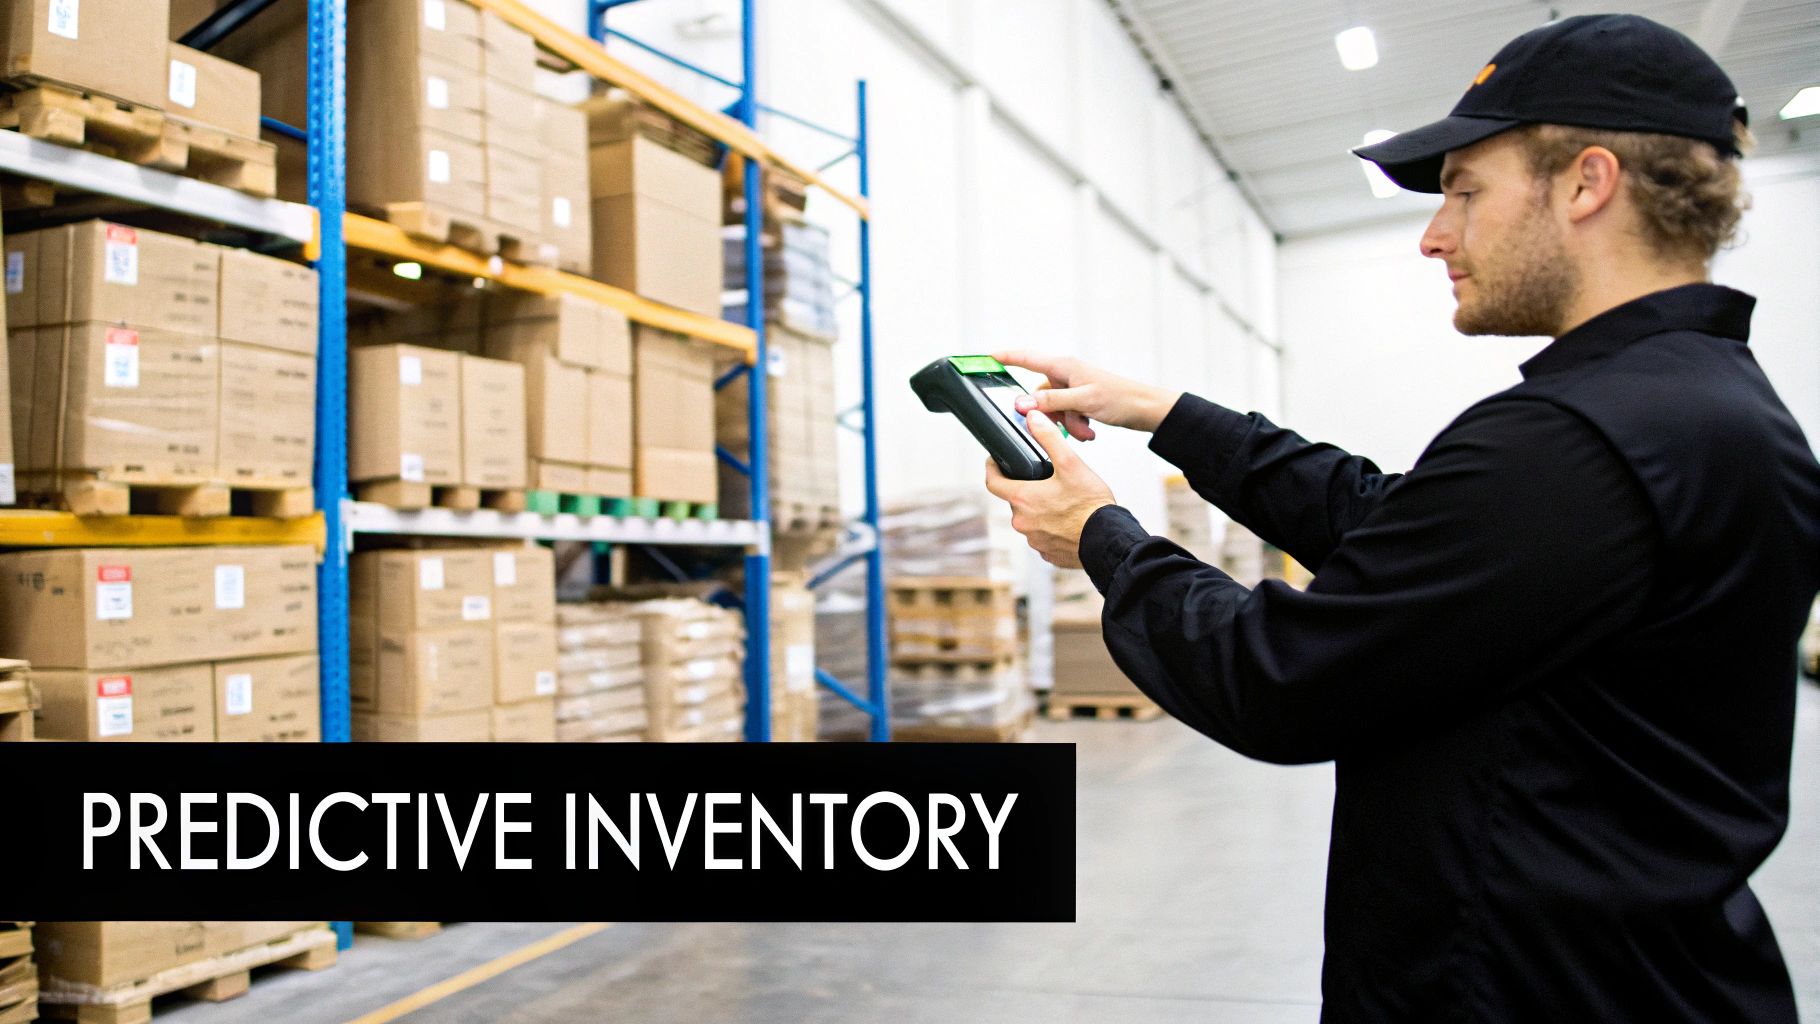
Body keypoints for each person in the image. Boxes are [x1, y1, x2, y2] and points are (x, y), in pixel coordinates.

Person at [986, 14, 1820, 1022]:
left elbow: (1278, 679)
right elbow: (1395, 526)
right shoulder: (1697, 412)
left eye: (1465, 190)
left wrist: (1099, 538)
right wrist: (1166, 415)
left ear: (1584, 183)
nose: (1434, 233)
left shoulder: (1575, 442)